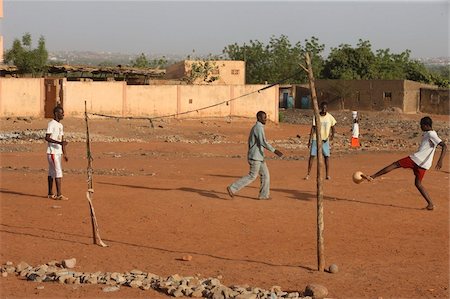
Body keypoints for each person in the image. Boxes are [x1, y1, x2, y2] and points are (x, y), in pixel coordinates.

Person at [367, 116, 446, 210]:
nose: (420, 127)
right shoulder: (429, 133)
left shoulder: (431, 134)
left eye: (421, 125)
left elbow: (444, 146)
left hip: (417, 159)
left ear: (426, 125)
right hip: (424, 164)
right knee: (418, 183)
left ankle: (373, 176)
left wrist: (440, 160)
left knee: (395, 164)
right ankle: (430, 205)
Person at [227, 111, 283, 200]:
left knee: (266, 175)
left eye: (266, 117)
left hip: (259, 156)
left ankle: (263, 195)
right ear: (259, 118)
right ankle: (232, 188)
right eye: (264, 117)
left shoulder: (260, 127)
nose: (266, 119)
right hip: (255, 157)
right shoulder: (258, 128)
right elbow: (263, 142)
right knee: (252, 176)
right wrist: (275, 151)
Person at [304, 101, 337, 180]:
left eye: (325, 108)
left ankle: (327, 175)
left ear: (327, 108)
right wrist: (310, 140)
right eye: (323, 107)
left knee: (326, 157)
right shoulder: (316, 116)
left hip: (325, 140)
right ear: (320, 107)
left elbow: (333, 127)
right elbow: (313, 128)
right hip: (316, 139)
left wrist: (332, 135)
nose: (324, 109)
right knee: (312, 156)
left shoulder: (330, 117)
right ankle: (308, 174)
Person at [45, 106, 69, 200]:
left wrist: (65, 153)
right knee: (58, 172)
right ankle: (59, 194)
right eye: (61, 113)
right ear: (56, 113)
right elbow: (47, 137)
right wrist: (58, 143)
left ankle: (50, 193)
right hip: (52, 152)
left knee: (51, 172)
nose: (63, 114)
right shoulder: (51, 124)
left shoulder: (60, 125)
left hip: (58, 152)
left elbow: (62, 140)